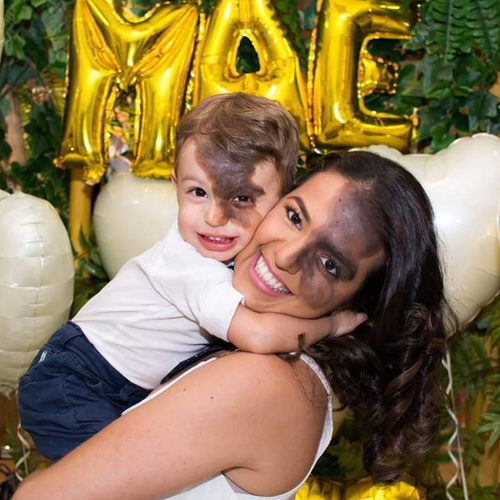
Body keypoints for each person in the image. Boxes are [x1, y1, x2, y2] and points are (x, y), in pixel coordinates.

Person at [13, 151, 454, 500]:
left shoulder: (267, 380)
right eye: (294, 216)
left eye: (329, 264)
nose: (286, 255)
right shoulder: (255, 346)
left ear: (357, 304)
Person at [17, 93, 365, 461]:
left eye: (242, 198)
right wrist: (332, 324)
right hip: (75, 380)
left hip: (113, 385)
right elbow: (259, 335)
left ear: (281, 200)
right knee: (114, 474)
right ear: (176, 186)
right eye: (198, 192)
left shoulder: (236, 262)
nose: (214, 218)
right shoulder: (188, 266)